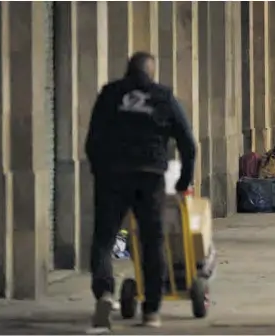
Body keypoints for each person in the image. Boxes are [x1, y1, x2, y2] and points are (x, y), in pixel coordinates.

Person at [84, 51, 196, 329]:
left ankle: (105, 292)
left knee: (104, 239)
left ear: (127, 70)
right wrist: (183, 182)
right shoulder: (163, 97)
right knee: (151, 242)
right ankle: (151, 312)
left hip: (113, 175)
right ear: (151, 72)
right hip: (150, 177)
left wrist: (100, 171)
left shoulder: (110, 94)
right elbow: (189, 144)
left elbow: (93, 138)